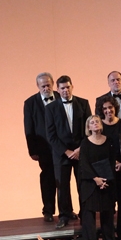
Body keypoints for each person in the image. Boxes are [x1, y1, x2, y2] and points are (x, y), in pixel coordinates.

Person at [46, 76, 92, 230]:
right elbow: (51, 135)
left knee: (83, 184)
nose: (65, 90)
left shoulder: (83, 103)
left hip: (81, 152)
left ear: (72, 87)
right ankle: (64, 215)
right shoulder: (51, 108)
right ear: (57, 90)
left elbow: (89, 129)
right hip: (62, 154)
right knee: (62, 186)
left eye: (68, 87)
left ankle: (85, 213)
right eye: (62, 88)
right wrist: (67, 152)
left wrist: (79, 149)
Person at [23, 72, 59, 222]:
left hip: (62, 147)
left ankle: (66, 210)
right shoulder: (30, 103)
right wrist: (32, 150)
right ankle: (48, 211)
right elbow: (29, 128)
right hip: (44, 148)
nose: (46, 88)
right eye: (43, 86)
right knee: (48, 179)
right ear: (38, 86)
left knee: (63, 179)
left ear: (53, 84)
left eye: (48, 85)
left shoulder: (61, 96)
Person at [78, 115, 117, 240]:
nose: (95, 124)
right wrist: (96, 179)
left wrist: (105, 180)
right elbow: (84, 164)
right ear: (88, 127)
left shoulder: (109, 141)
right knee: (89, 216)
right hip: (90, 183)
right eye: (92, 122)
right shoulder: (85, 143)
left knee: (107, 215)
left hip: (106, 182)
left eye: (97, 121)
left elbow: (112, 161)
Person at [97, 97, 121, 240]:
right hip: (106, 168)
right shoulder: (99, 125)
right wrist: (111, 164)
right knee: (108, 204)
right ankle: (108, 236)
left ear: (115, 108)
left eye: (110, 107)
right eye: (105, 108)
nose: (108, 111)